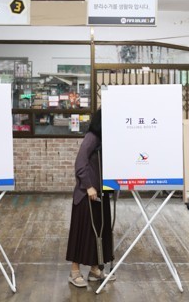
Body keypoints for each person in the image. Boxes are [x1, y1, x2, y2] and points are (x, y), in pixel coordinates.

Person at [66, 109, 115, 287]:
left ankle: (95, 270)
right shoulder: (92, 137)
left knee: (99, 234)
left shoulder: (106, 140)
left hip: (102, 193)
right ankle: (74, 271)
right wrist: (88, 186)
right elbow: (80, 163)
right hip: (87, 194)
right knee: (82, 233)